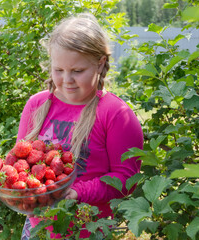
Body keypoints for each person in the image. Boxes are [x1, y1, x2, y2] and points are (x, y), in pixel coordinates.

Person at [17, 13, 143, 239]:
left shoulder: (116, 115)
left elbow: (126, 180)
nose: (67, 79)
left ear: (100, 63)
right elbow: (20, 164)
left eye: (77, 71)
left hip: (88, 232)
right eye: (59, 70)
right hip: (38, 230)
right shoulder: (36, 105)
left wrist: (76, 192)